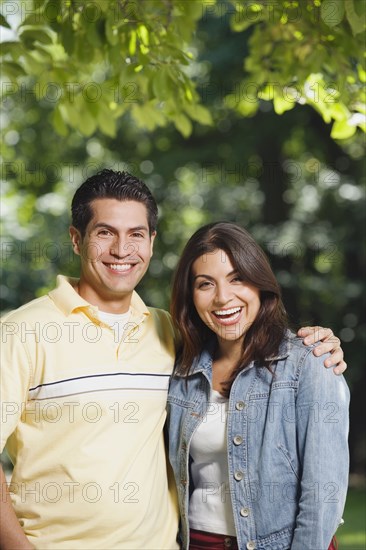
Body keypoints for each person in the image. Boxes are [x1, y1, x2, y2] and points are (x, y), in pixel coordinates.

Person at [0, 170, 346, 549]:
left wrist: (319, 345)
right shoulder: (21, 332)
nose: (121, 249)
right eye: (104, 233)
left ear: (151, 242)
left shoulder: (165, 334)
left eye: (135, 234)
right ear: (76, 239)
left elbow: (321, 492)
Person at [167, 222, 350, 550]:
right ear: (190, 296)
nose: (223, 298)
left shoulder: (309, 362)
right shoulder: (180, 372)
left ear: (259, 283)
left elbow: (323, 495)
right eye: (205, 284)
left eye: (237, 278)